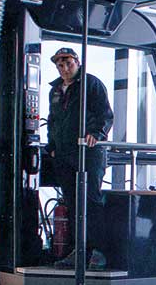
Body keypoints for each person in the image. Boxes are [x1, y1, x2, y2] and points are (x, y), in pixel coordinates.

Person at [45, 47, 114, 271]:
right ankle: (78, 251)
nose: (64, 69)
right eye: (60, 66)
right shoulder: (55, 91)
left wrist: (96, 133)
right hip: (64, 155)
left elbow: (105, 113)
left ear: (77, 62)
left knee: (91, 201)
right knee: (73, 203)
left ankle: (98, 251)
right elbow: (53, 120)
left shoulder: (91, 84)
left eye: (68, 64)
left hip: (88, 154)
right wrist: (52, 147)